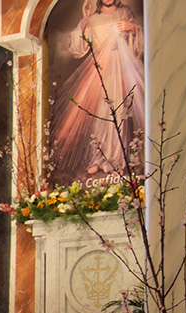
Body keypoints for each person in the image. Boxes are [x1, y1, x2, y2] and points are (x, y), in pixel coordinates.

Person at [51, 0, 145, 184]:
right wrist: (85, 20)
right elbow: (77, 48)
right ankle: (98, 158)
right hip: (101, 70)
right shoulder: (93, 19)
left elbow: (141, 41)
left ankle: (116, 160)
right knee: (100, 115)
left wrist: (132, 28)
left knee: (119, 112)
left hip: (120, 68)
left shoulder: (124, 12)